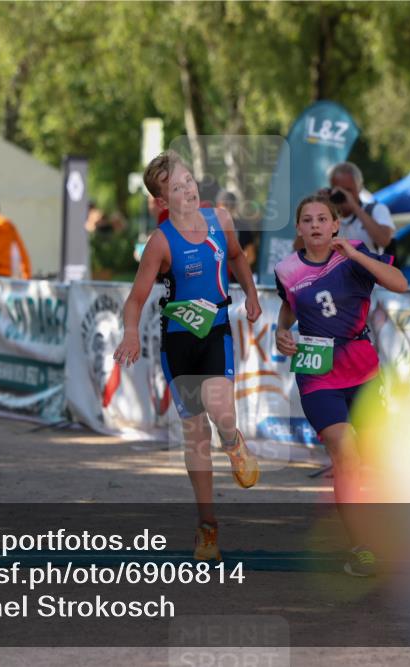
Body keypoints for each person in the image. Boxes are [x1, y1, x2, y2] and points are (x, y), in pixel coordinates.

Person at [113, 151, 263, 561]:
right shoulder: (160, 243)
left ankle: (233, 441)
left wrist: (250, 293)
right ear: (163, 201)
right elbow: (135, 299)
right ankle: (207, 527)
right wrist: (130, 333)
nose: (187, 190)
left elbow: (236, 257)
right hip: (179, 342)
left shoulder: (221, 221)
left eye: (188, 181)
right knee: (195, 436)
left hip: (215, 331)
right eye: (176, 188)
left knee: (222, 410)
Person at [274, 194, 408, 576]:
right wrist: (281, 333)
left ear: (335, 225)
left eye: (322, 219)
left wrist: (355, 255)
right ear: (299, 229)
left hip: (362, 369)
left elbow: (400, 284)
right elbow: (290, 308)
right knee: (346, 453)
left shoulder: (355, 254)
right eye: (308, 220)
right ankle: (360, 547)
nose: (315, 225)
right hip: (318, 372)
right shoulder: (286, 270)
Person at [327, 162, 395, 253]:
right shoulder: (328, 217)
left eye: (348, 190)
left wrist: (355, 207)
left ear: (359, 187)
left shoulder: (376, 210)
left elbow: (384, 241)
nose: (343, 194)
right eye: (339, 190)